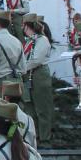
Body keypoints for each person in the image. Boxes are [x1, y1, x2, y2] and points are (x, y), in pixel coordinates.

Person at [22, 14, 53, 143]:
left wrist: (21, 68)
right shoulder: (30, 41)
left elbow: (36, 60)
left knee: (42, 107)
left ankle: (45, 136)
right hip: (29, 75)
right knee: (30, 106)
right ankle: (35, 135)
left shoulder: (42, 40)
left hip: (39, 73)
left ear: (27, 26)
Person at [0, 10, 24, 103]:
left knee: (1, 114)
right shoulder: (17, 41)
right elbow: (23, 68)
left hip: (1, 82)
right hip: (17, 81)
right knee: (15, 113)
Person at [0, 81, 37, 149]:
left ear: (6, 98)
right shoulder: (29, 120)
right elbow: (33, 145)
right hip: (24, 155)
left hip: (3, 155)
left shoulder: (0, 117)